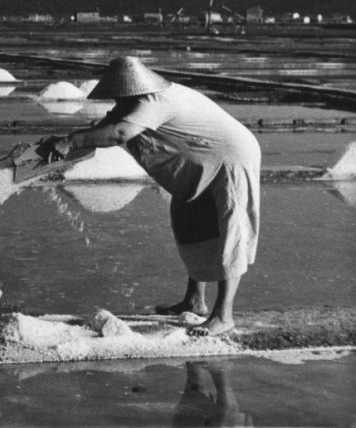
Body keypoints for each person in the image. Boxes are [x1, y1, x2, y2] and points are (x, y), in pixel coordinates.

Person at [41, 56, 260, 337]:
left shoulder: (155, 102)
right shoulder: (133, 105)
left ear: (133, 89)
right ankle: (195, 300)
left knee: (229, 229)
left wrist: (70, 140)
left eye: (120, 95)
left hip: (233, 158)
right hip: (203, 159)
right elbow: (103, 130)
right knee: (191, 221)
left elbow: (120, 133)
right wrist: (57, 147)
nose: (117, 101)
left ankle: (223, 315)